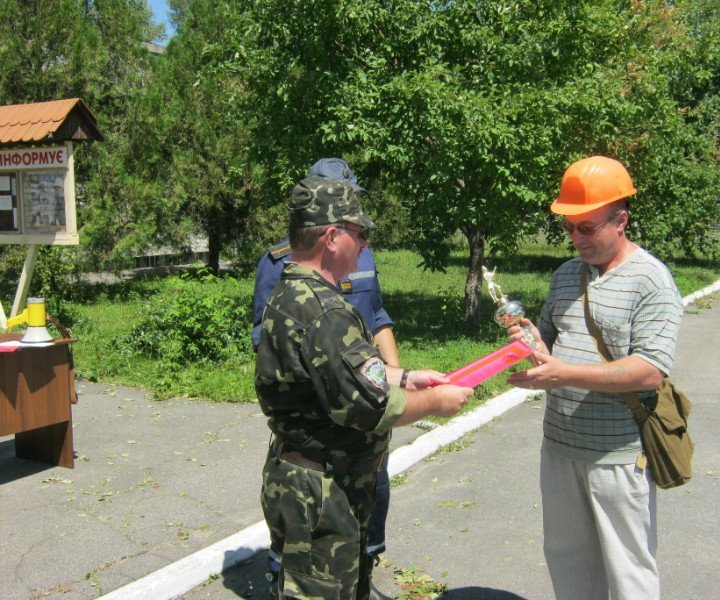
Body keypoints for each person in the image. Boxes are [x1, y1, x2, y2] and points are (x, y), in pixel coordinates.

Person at [255, 174, 473, 600]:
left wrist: (406, 377)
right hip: (323, 493)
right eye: (360, 233)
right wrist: (435, 402)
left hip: (301, 477)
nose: (365, 244)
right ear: (333, 236)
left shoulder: (290, 292)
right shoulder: (325, 311)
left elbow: (328, 375)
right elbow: (371, 407)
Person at [507, 156, 684, 599]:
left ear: (620, 219)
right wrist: (530, 344)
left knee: (628, 572)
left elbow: (649, 370)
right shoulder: (566, 275)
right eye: (568, 228)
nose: (574, 238)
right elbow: (548, 344)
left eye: (586, 228)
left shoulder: (651, 280)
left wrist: (565, 373)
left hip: (618, 455)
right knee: (568, 562)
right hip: (561, 448)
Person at [252, 159, 398, 600]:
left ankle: (360, 576)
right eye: (355, 221)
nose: (364, 237)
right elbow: (274, 345)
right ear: (331, 231)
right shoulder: (283, 270)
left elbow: (376, 317)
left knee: (364, 528)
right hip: (324, 456)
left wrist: (396, 373)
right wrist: (414, 398)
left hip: (358, 431)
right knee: (311, 569)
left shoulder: (360, 253)